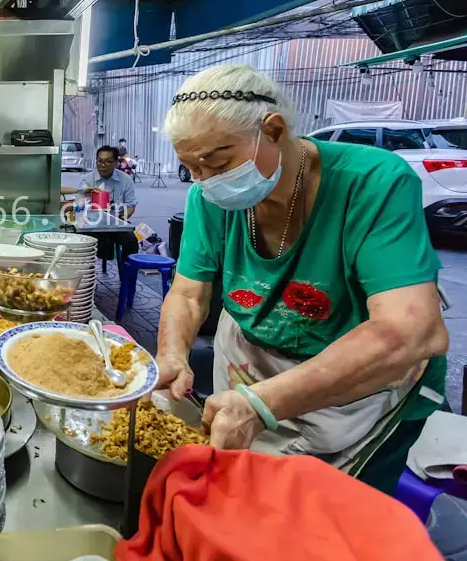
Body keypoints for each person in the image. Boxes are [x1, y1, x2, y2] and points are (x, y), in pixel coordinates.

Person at [156, 64, 448, 494]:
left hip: (355, 387)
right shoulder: (209, 197)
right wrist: (172, 354)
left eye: (217, 162)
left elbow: (408, 331)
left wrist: (261, 404)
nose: (204, 182)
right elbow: (187, 294)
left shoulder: (373, 183)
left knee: (325, 519)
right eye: (191, 168)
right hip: (254, 362)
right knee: (242, 497)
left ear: (273, 131)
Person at [62, 145, 139, 276]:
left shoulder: (126, 180)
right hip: (92, 226)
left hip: (115, 224)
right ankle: (87, 277)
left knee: (131, 240)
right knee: (93, 243)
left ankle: (128, 278)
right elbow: (79, 204)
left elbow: (131, 205)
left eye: (108, 161)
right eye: (100, 161)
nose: (103, 165)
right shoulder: (88, 179)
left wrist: (120, 221)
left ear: (116, 163)